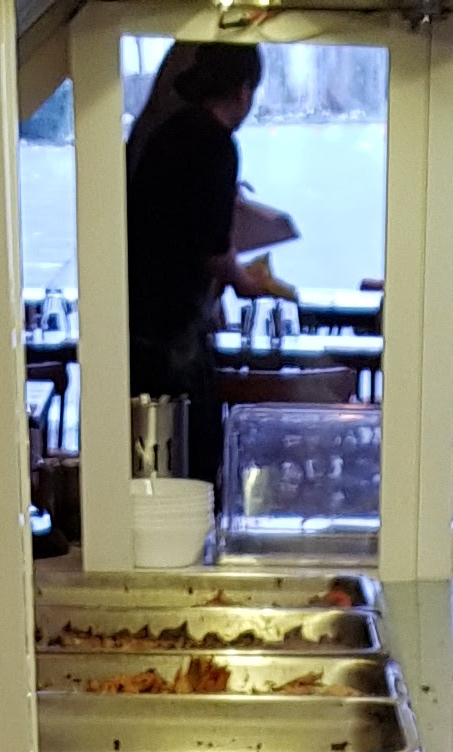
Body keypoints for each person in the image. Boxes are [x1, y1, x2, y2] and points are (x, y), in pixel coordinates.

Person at [125, 42, 281, 488]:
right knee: (195, 462)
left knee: (149, 467)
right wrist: (245, 280)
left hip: (136, 325)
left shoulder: (163, 134)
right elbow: (213, 249)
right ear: (243, 90)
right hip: (174, 335)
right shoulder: (216, 143)